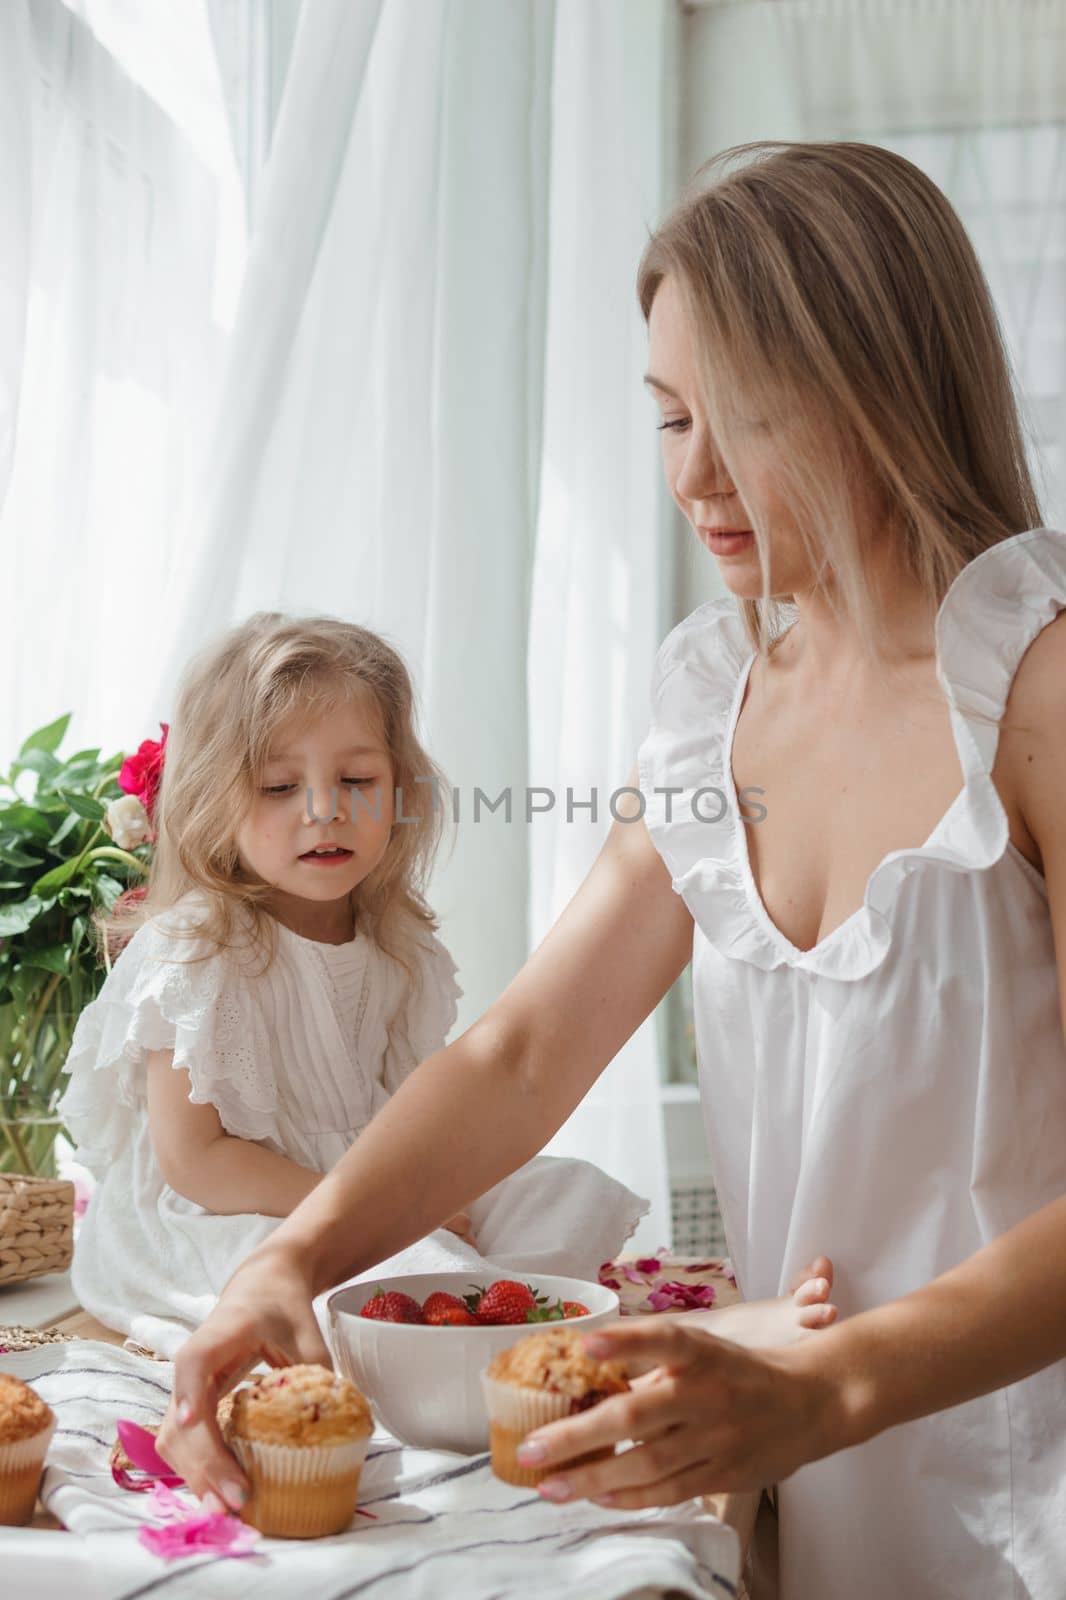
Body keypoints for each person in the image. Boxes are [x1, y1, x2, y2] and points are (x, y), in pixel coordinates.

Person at [156, 141, 1066, 1600]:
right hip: (812, 1486)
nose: (693, 477)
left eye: (745, 418)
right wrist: (295, 1258)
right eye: (665, 418)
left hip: (1026, 1493)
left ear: (883, 393)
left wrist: (829, 1391)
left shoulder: (1038, 687)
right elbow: (522, 1056)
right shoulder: (715, 701)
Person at [59, 613, 688, 1356]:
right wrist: (368, 1216)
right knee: (414, 1267)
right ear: (212, 800)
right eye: (279, 786)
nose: (324, 808)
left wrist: (428, 1195)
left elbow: (415, 1109)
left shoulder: (396, 946)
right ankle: (451, 1315)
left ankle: (458, 1303)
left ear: (398, 786)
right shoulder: (197, 953)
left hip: (362, 1182)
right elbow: (195, 1164)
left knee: (563, 1191)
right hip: (229, 1211)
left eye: (356, 779)